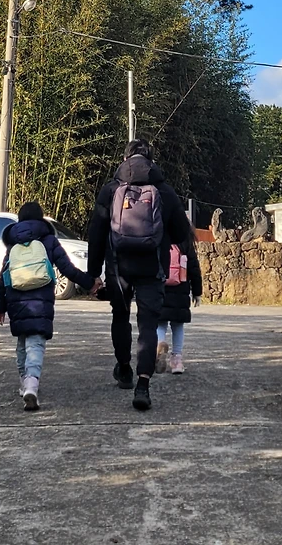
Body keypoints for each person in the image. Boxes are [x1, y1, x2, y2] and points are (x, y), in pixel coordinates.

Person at [86, 139, 195, 411]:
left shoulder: (111, 189)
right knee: (148, 324)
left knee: (120, 317)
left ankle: (124, 368)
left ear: (125, 159)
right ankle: (143, 385)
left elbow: (96, 233)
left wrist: (93, 274)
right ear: (151, 161)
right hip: (152, 266)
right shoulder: (164, 190)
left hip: (118, 266)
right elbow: (182, 233)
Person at [0, 202, 101, 411]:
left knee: (22, 343)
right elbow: (68, 269)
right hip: (41, 301)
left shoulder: (13, 243)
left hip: (16, 301)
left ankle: (24, 382)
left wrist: (0, 306)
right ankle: (31, 384)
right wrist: (90, 284)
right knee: (36, 343)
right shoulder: (49, 240)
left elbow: (4, 277)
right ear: (41, 219)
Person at [157, 230, 203, 374]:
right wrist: (197, 292)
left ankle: (159, 345)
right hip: (180, 289)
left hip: (160, 287)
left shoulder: (159, 236)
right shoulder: (185, 241)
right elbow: (194, 268)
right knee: (177, 325)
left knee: (160, 323)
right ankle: (176, 361)